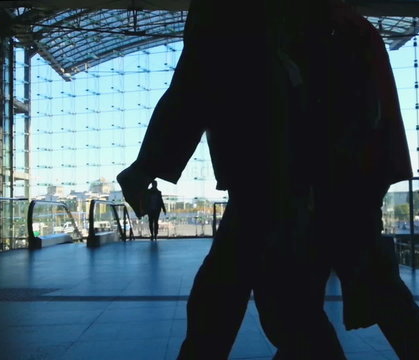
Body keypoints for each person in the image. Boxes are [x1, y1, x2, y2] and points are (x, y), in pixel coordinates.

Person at [117, 0, 344, 358]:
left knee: (235, 296)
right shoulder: (294, 27)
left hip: (261, 162)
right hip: (284, 163)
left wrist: (147, 165)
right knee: (272, 299)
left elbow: (196, 79)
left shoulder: (227, 14)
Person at [289, 1, 419, 358]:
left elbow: (325, 111)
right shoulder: (350, 28)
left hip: (333, 182)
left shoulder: (326, 30)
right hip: (352, 178)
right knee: (357, 285)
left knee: (302, 296)